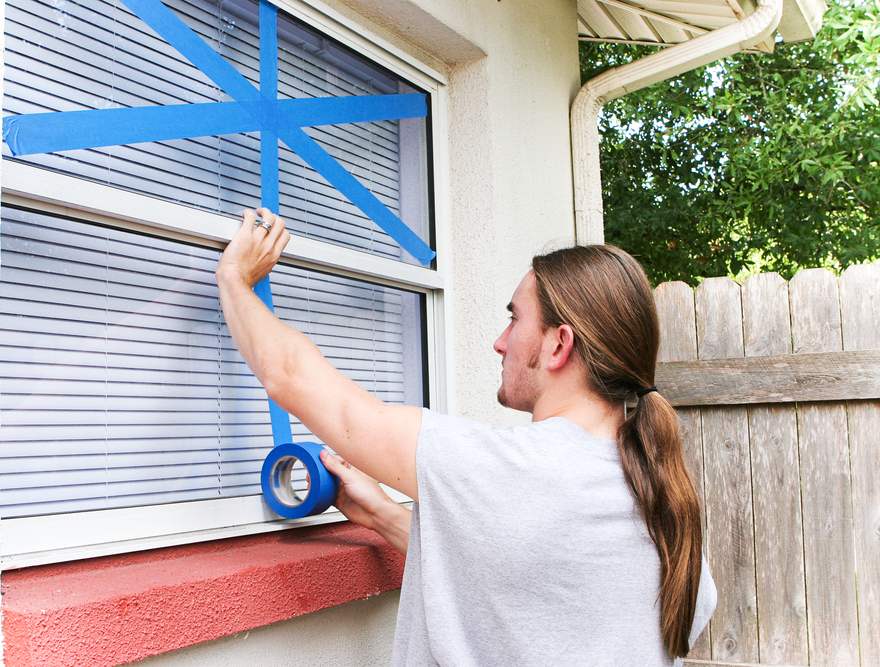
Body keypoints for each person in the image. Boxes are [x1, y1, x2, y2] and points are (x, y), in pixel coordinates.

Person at [216, 208, 717, 666]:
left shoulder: (511, 470)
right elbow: (522, 580)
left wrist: (236, 280)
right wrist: (379, 514)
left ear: (559, 344)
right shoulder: (658, 497)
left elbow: (291, 377)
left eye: (514, 318)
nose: (499, 341)